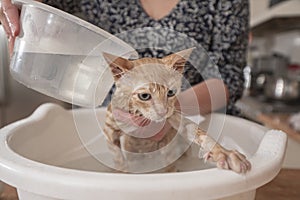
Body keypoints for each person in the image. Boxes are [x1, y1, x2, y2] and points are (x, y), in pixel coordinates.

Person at [0, 0, 249, 126]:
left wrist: (164, 111)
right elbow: (38, 8)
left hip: (198, 119)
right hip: (108, 121)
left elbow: (229, 75)